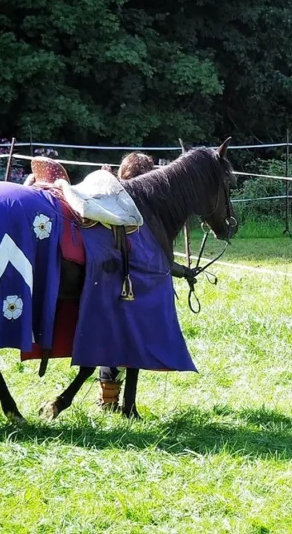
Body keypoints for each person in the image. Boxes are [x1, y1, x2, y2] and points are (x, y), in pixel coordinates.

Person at [97, 150, 197, 411]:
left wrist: (183, 271)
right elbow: (150, 257)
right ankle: (113, 402)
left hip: (117, 281)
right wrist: (181, 271)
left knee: (115, 339)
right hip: (125, 283)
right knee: (123, 340)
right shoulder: (135, 212)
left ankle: (110, 401)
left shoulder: (122, 207)